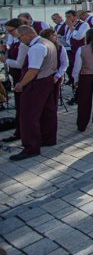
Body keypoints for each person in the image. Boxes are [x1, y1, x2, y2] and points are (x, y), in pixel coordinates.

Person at [7, 25, 60, 160]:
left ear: (27, 34)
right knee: (48, 111)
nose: (20, 41)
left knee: (28, 115)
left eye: (20, 38)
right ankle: (48, 138)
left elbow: (33, 70)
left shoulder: (36, 47)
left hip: (37, 83)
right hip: (47, 79)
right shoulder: (48, 42)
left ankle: (31, 147)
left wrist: (21, 83)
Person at [1, 19, 26, 143]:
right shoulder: (16, 41)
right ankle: (19, 131)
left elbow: (20, 63)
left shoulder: (23, 42)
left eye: (11, 31)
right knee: (19, 107)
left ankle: (23, 133)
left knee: (23, 108)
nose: (10, 34)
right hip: (16, 77)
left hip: (22, 79)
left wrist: (5, 60)